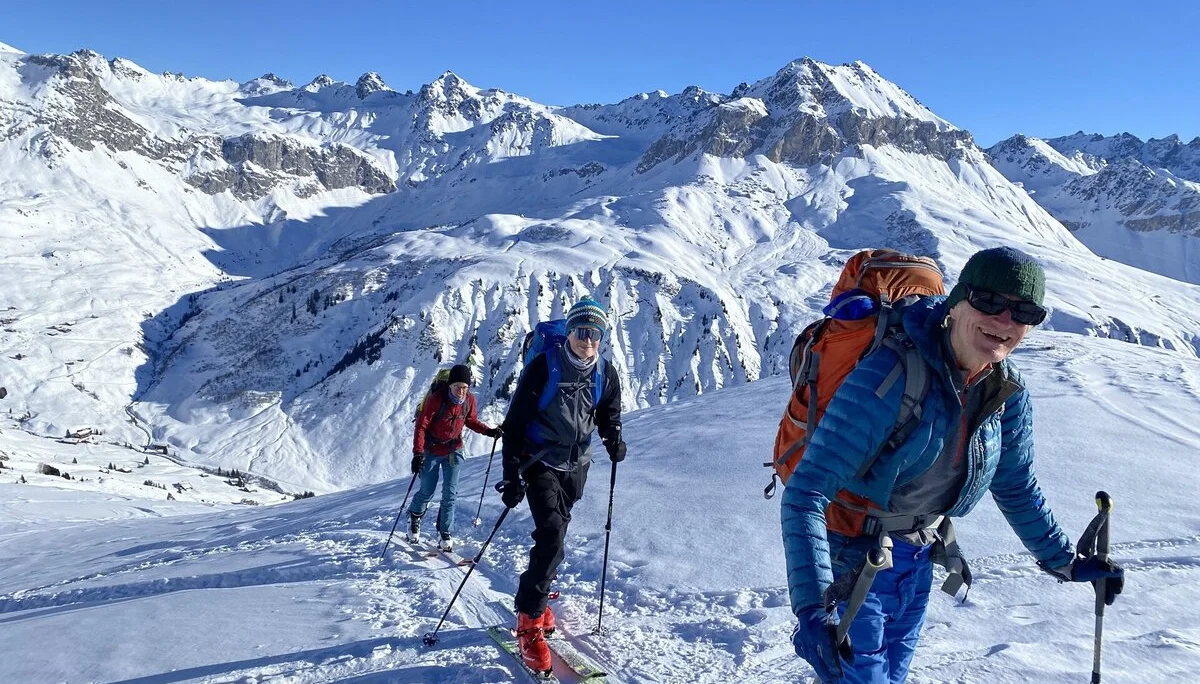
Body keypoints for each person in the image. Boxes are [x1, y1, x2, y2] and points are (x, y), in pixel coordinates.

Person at [782, 247, 1125, 683]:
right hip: (852, 557)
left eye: (1023, 311)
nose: (1004, 321)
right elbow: (807, 491)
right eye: (988, 301)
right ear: (957, 302)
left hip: (919, 556)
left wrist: (1066, 563)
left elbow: (1016, 485)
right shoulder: (889, 375)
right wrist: (812, 606)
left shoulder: (1006, 392)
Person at [498, 297, 625, 674]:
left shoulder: (605, 372)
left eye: (594, 334)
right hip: (539, 461)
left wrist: (612, 437)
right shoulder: (542, 367)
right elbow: (515, 424)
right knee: (552, 536)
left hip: (576, 465)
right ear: (568, 333)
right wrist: (511, 474)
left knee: (556, 537)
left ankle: (535, 595)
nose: (587, 341)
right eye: (580, 332)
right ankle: (529, 622)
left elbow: (608, 413)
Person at [407, 363, 501, 551]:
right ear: (450, 386)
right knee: (427, 490)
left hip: (454, 449)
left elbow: (470, 420)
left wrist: (489, 431)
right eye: (457, 387)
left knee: (450, 494)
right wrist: (418, 453)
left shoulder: (469, 401)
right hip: (432, 450)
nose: (461, 391)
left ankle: (444, 532)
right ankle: (415, 517)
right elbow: (422, 426)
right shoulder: (436, 400)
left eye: (465, 387)